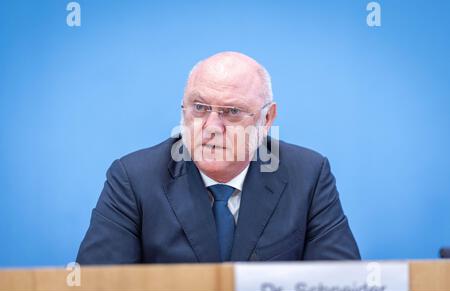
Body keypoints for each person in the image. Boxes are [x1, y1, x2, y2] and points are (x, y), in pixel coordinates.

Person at [77, 51, 360, 264]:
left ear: (267, 118)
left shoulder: (308, 175)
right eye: (199, 107)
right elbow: (97, 286)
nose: (212, 127)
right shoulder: (134, 179)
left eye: (233, 112)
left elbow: (341, 283)